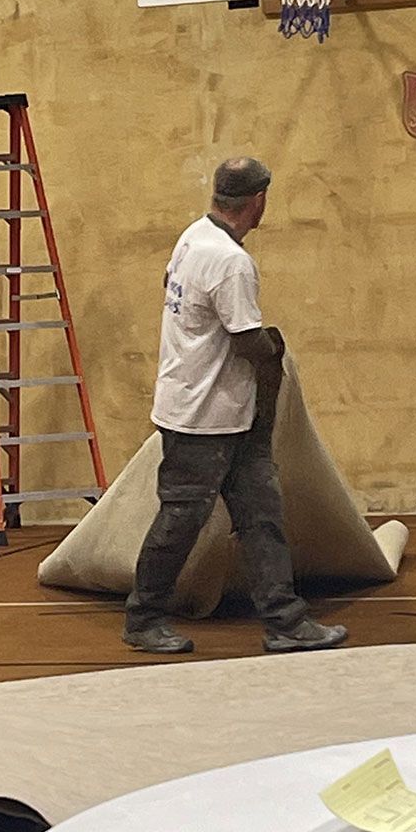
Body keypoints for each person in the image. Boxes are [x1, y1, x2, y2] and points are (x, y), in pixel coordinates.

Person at [123, 156, 349, 655]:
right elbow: (246, 340)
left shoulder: (192, 238)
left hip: (222, 411)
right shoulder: (231, 262)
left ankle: (285, 621)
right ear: (259, 200)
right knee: (181, 518)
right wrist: (276, 349)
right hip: (205, 416)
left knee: (262, 514)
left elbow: (176, 293)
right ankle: (143, 618)